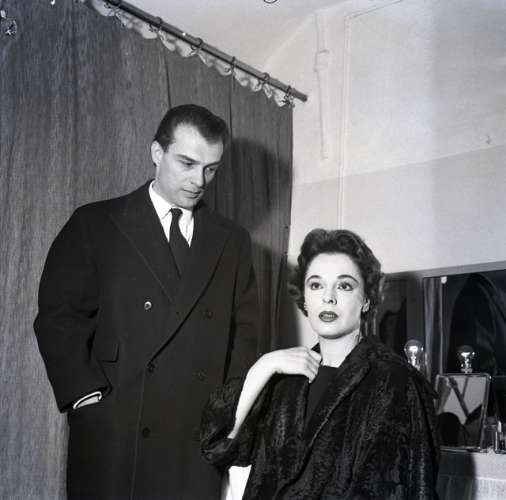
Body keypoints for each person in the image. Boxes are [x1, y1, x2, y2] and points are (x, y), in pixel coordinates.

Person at [34, 104, 259, 500]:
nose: (198, 181)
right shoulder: (96, 223)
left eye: (211, 169)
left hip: (194, 437)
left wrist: (226, 415)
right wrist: (86, 398)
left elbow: (246, 335)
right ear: (157, 152)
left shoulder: (233, 241)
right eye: (187, 163)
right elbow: (59, 317)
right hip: (117, 432)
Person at [201, 229, 440, 499]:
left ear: (366, 300)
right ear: (304, 298)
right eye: (316, 285)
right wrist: (264, 366)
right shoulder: (284, 377)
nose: (328, 297)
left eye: (344, 286)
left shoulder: (394, 381)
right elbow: (217, 446)